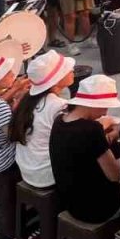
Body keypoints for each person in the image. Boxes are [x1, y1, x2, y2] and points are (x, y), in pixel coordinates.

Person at [50, 74, 120, 224]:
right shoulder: (91, 130)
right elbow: (115, 175)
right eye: (105, 106)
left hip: (71, 203)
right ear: (92, 104)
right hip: (97, 209)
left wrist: (112, 134)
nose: (106, 112)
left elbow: (84, 143)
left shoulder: (60, 121)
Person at [11, 49, 75, 189]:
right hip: (46, 174)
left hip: (28, 170)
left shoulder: (27, 99)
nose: (72, 70)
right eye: (67, 69)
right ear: (56, 80)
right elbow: (72, 140)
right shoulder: (58, 105)